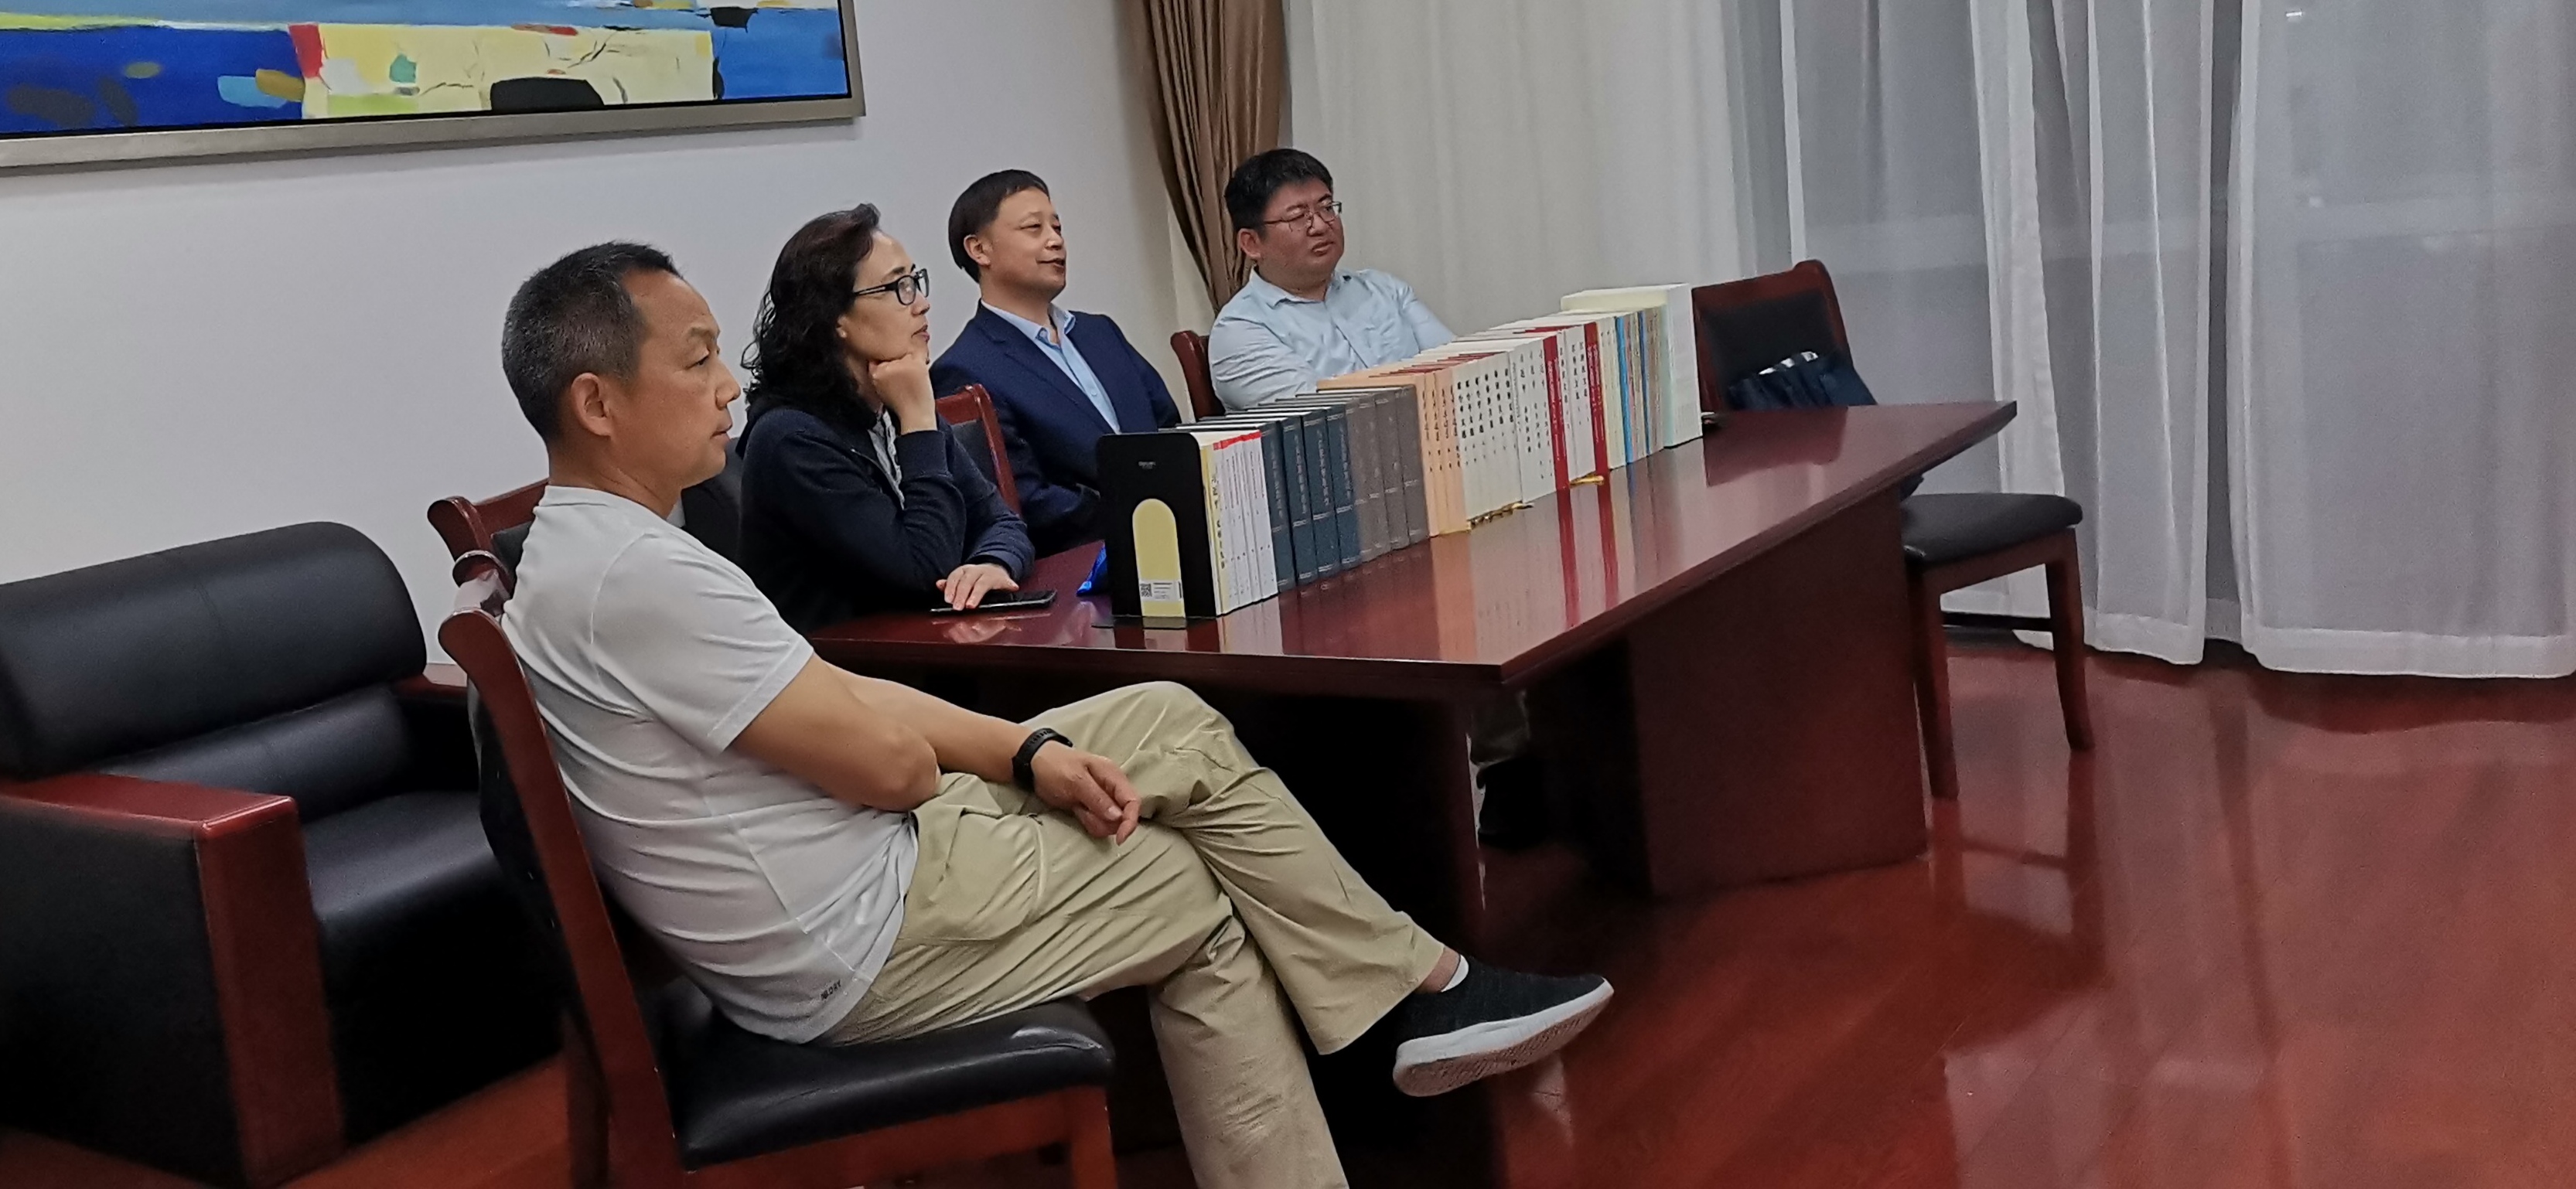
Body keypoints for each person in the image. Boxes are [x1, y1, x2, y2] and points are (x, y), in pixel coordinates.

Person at [493, 241, 1612, 1189]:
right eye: (696, 361)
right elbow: (890, 765)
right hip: (855, 933)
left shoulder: (593, 548)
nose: (727, 389)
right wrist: (962, 764)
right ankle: (1409, 1001)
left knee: (1168, 715)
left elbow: (852, 691)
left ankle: (1424, 988)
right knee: (1193, 886)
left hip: (854, 864)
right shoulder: (641, 575)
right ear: (597, 402)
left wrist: (1027, 751)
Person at [735, 205, 1036, 631]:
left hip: (926, 648)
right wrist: (918, 422)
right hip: (846, 662)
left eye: (915, 282)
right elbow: (922, 570)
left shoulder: (894, 405)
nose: (922, 304)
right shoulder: (792, 438)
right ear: (835, 317)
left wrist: (992, 562)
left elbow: (1002, 520)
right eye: (899, 287)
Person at [932, 170, 1183, 555]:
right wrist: (1142, 512)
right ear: (979, 250)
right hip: (1091, 560)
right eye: (1034, 228)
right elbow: (1026, 502)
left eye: (1057, 227)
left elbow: (1169, 426)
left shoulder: (1100, 333)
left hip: (1175, 532)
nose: (1055, 241)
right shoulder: (965, 369)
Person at [1208, 148, 1456, 411]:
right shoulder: (1240, 331)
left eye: (1327, 208)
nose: (1320, 226)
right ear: (1252, 243)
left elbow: (1459, 369)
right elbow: (1327, 418)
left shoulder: (1383, 289)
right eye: (1297, 217)